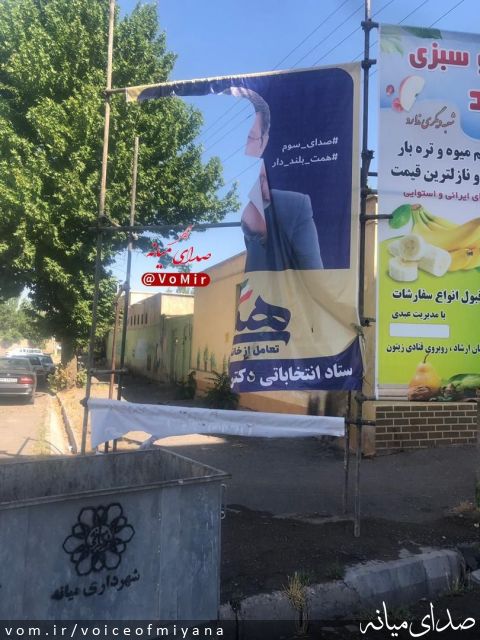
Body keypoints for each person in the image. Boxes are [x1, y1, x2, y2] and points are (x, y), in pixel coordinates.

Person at [225, 87, 323, 272]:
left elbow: (314, 274)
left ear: (264, 142)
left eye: (250, 138)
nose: (241, 150)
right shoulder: (236, 198)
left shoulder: (293, 207)